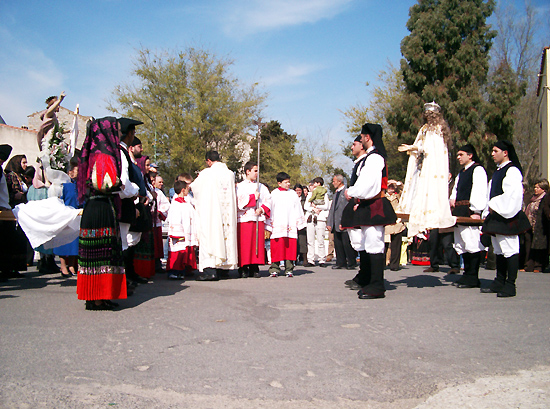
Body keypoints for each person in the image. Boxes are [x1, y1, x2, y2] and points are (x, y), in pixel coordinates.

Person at [341, 123, 396, 299]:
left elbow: (368, 184)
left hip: (374, 203)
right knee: (370, 242)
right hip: (369, 204)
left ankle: (377, 285)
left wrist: (352, 192)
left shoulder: (374, 158)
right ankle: (371, 282)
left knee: (374, 243)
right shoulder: (370, 157)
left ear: (367, 137)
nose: (361, 139)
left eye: (362, 136)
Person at [76, 117, 126, 310]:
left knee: (93, 255)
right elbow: (104, 183)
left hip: (93, 207)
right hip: (101, 209)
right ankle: (98, 297)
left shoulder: (92, 153)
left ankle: (97, 296)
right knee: (102, 253)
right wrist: (118, 184)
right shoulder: (104, 155)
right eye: (117, 130)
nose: (119, 134)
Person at [398, 101, 455, 238]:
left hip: (432, 167)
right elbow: (421, 144)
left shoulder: (438, 129)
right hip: (422, 165)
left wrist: (415, 148)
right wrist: (414, 148)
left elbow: (432, 149)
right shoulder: (424, 128)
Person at [480, 140, 530, 298]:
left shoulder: (512, 170)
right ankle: (500, 280)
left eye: (495, 151)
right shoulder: (498, 171)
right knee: (499, 250)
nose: (492, 154)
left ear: (505, 152)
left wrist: (494, 205)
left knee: (510, 249)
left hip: (507, 215)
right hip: (498, 214)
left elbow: (512, 196)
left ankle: (510, 284)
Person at [190, 150, 238, 281]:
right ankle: (223, 269)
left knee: (210, 237)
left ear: (208, 161)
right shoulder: (229, 174)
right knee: (225, 236)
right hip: (226, 214)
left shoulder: (207, 173)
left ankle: (210, 270)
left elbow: (195, 187)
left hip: (212, 212)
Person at [449, 144, 488, 288]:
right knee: (462, 243)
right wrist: (452, 199)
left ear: (470, 155)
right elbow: (456, 189)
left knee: (472, 242)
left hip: (469, 211)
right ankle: (466, 274)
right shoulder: (461, 173)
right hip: (459, 211)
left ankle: (473, 276)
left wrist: (476, 211)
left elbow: (479, 191)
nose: (458, 157)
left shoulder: (477, 170)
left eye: (461, 154)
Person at [117, 118, 149, 287]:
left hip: (131, 201)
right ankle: (124, 279)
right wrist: (136, 193)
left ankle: (128, 275)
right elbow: (123, 181)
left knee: (129, 242)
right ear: (129, 134)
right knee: (125, 242)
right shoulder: (121, 153)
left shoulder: (123, 154)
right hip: (126, 200)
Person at [268, 172, 307, 277]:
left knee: (290, 247)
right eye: (286, 182)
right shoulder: (274, 194)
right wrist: (269, 223)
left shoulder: (292, 194)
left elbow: (298, 208)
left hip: (290, 224)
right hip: (278, 223)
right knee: (277, 246)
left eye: (289, 182)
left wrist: (300, 223)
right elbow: (270, 208)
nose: (288, 184)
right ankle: (274, 268)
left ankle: (289, 268)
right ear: (279, 183)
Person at [236, 161, 271, 278]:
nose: (257, 173)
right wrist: (252, 198)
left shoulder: (262, 187)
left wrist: (261, 209)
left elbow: (268, 201)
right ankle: (243, 267)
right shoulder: (239, 187)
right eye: (255, 171)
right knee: (245, 244)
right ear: (248, 171)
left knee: (256, 243)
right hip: (244, 219)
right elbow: (238, 202)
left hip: (257, 218)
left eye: (257, 171)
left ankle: (254, 266)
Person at [0, 145, 28, 281]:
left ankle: (9, 268)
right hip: (3, 209)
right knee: (7, 241)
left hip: (6, 208)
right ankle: (6, 269)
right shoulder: (9, 175)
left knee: (10, 242)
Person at [53, 158, 81, 278]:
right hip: (65, 215)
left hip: (76, 214)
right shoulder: (63, 186)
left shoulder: (79, 185)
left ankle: (71, 265)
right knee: (63, 241)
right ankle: (63, 265)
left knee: (75, 241)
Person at [166, 180, 198, 279]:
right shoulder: (175, 205)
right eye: (187, 189)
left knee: (184, 252)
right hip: (179, 234)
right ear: (183, 190)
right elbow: (174, 219)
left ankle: (184, 270)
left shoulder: (186, 203)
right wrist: (177, 233)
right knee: (177, 253)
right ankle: (174, 272)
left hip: (187, 232)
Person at [327, 174, 357, 270]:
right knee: (338, 243)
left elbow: (348, 208)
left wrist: (345, 222)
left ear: (340, 181)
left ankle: (351, 262)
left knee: (346, 243)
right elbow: (332, 209)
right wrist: (329, 223)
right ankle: (340, 262)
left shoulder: (347, 192)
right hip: (336, 222)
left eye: (334, 181)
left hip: (344, 222)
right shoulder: (335, 193)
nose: (333, 183)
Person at [523, 179, 549, 272]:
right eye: (535, 187)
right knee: (528, 245)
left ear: (543, 188)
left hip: (539, 225)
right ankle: (528, 265)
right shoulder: (532, 198)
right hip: (529, 224)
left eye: (538, 187)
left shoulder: (544, 198)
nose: (535, 189)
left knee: (539, 246)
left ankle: (538, 266)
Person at [304, 177, 329, 267]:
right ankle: (311, 259)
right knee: (310, 240)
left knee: (320, 239)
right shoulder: (310, 194)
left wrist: (317, 207)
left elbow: (326, 206)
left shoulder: (324, 193)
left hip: (320, 218)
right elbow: (306, 206)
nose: (313, 185)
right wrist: (313, 208)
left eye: (314, 183)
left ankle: (322, 259)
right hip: (311, 218)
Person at [384, 180, 406, 271]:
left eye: (392, 187)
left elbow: (406, 191)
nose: (391, 189)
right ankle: (382, 264)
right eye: (389, 187)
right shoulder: (383, 196)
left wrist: (399, 184)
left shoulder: (398, 196)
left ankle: (394, 265)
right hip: (386, 223)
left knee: (396, 245)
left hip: (397, 223)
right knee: (383, 245)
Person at [153, 175, 170, 273]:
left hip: (157, 221)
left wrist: (160, 212)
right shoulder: (153, 191)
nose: (161, 184)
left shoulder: (159, 193)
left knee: (157, 245)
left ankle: (157, 264)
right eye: (160, 182)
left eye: (162, 182)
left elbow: (166, 205)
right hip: (151, 222)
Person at [293, 183, 308, 265]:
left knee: (302, 241)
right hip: (293, 222)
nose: (298, 192)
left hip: (302, 222)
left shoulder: (305, 199)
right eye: (296, 190)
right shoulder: (291, 199)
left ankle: (304, 259)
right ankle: (294, 258)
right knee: (294, 241)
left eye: (299, 190)